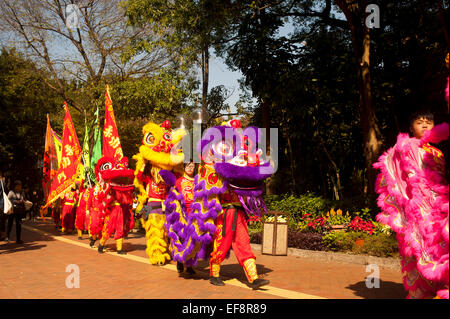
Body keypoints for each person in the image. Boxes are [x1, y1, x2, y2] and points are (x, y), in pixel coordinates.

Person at [374, 110, 449, 299]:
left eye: (428, 123)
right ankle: (420, 290)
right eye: (419, 122)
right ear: (410, 127)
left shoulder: (437, 151)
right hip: (417, 209)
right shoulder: (406, 147)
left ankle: (440, 284)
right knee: (416, 247)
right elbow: (397, 175)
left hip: (438, 206)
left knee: (439, 247)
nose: (424, 126)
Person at [174, 162, 196, 274]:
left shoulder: (197, 181)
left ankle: (189, 264)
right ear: (184, 167)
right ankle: (179, 261)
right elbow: (173, 197)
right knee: (182, 237)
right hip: (182, 212)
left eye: (192, 166)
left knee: (192, 239)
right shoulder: (179, 181)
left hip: (195, 213)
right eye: (188, 166)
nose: (190, 168)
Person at [0, 169, 7, 240]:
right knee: (2, 220)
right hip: (1, 204)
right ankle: (2, 235)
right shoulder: (2, 183)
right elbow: (6, 192)